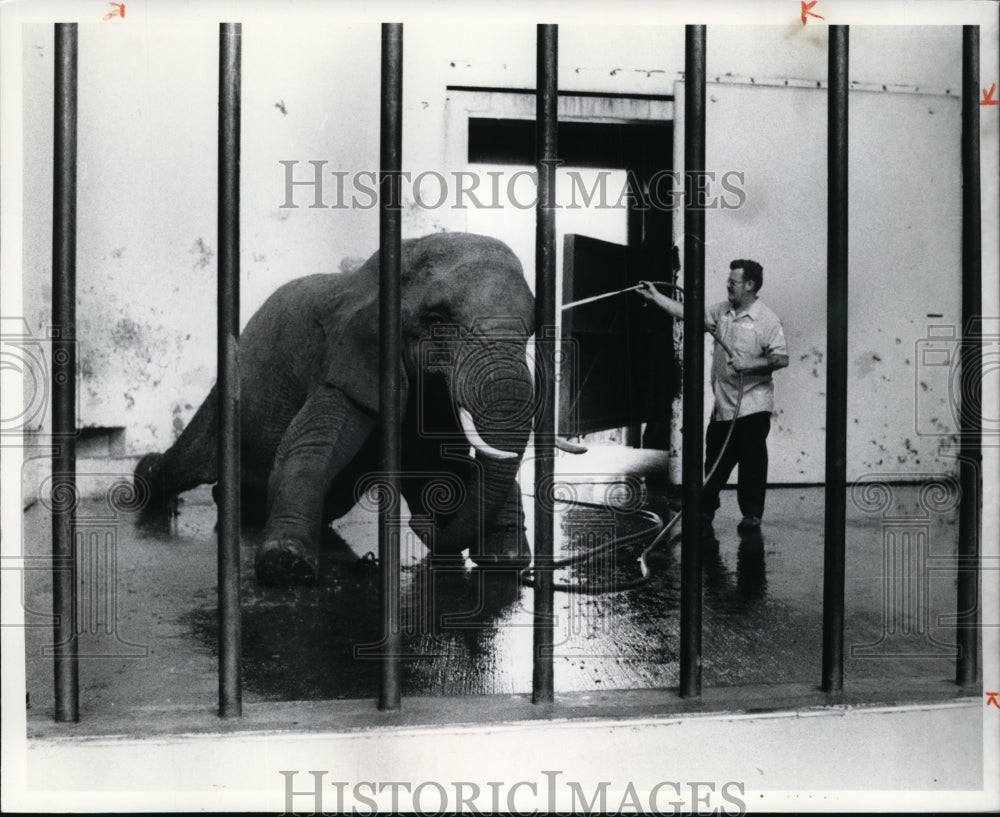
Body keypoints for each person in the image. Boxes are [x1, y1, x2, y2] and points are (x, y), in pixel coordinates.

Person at [636, 260, 788, 530]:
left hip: (753, 406)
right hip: (724, 406)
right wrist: (656, 297)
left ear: (750, 285)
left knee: (751, 464)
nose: (728, 284)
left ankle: (751, 515)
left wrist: (750, 364)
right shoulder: (721, 312)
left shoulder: (767, 319)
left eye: (734, 281)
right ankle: (704, 510)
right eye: (729, 280)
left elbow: (781, 358)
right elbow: (689, 314)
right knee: (714, 461)